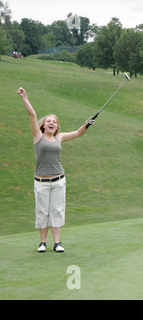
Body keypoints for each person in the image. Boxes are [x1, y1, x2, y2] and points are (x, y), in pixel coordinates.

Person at [18, 87, 95, 253]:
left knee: (57, 210)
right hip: (41, 181)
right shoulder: (37, 136)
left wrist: (87, 124)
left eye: (54, 121)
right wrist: (25, 97)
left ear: (57, 126)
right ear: (43, 126)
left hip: (59, 180)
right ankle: (42, 243)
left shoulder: (59, 137)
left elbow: (78, 133)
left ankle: (57, 243)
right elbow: (32, 115)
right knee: (42, 211)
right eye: (48, 121)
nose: (51, 123)